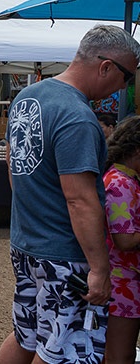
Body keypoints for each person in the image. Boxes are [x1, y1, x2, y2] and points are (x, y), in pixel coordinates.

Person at [0, 24, 140, 364]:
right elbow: (80, 199)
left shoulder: (28, 97)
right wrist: (100, 269)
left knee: (26, 334)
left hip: (26, 243)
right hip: (64, 254)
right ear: (106, 67)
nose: (124, 88)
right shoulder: (78, 118)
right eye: (126, 78)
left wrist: (33, 208)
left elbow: (12, 159)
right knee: (60, 348)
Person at [102, 116, 140, 364]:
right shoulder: (119, 184)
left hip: (127, 279)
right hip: (122, 282)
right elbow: (124, 239)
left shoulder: (128, 180)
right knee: (120, 355)